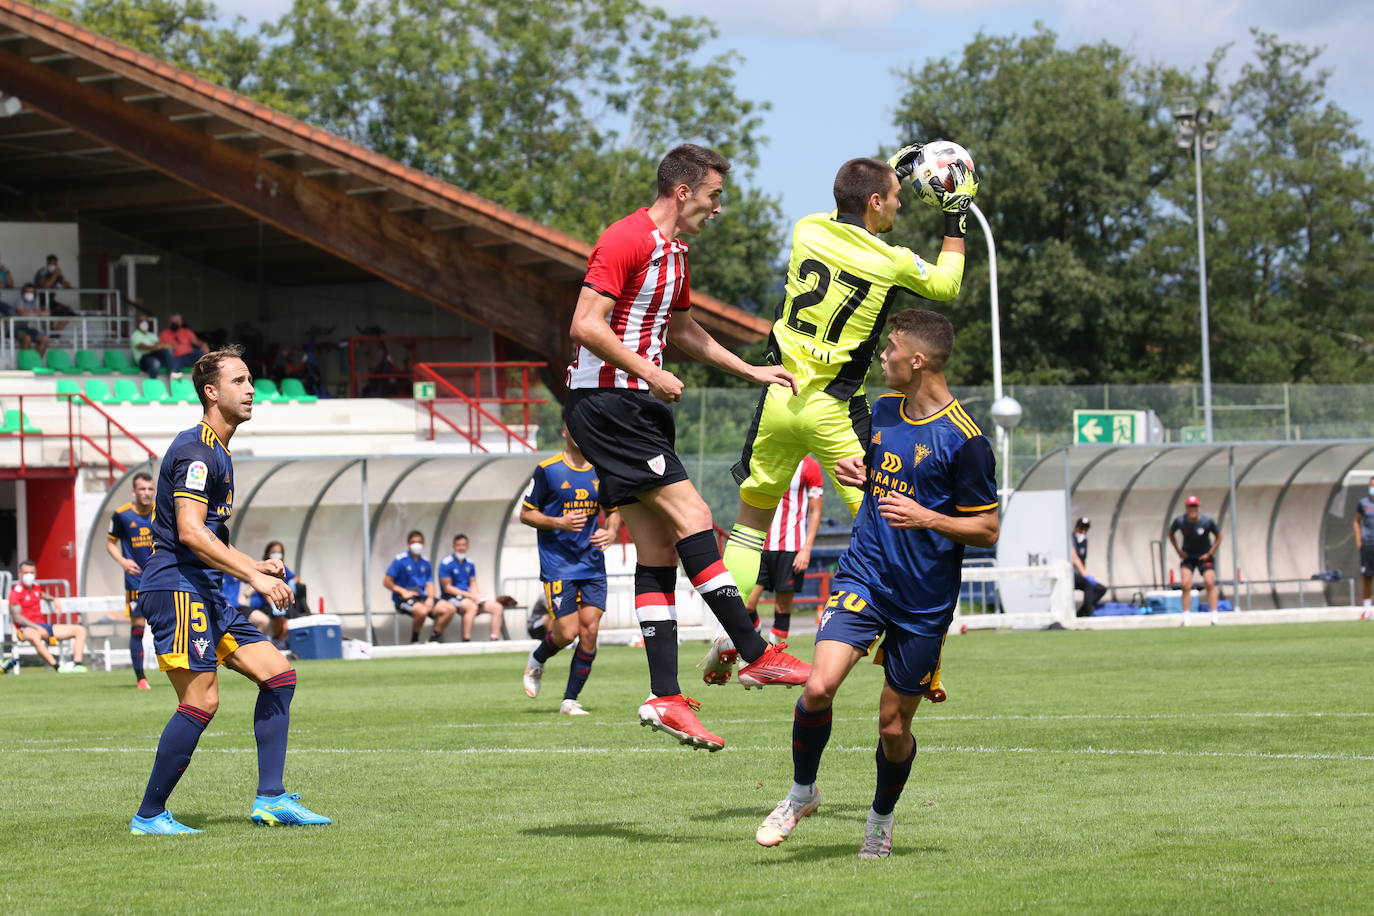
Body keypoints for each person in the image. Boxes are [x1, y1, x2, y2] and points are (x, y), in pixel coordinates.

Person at [563, 143, 810, 751]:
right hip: (610, 406)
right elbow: (585, 324)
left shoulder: (676, 254)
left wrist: (749, 369)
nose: (718, 207)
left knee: (657, 550)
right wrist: (649, 372)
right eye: (713, 195)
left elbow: (680, 329)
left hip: (634, 407)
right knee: (697, 518)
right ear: (683, 192)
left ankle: (666, 697)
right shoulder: (625, 239)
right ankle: (754, 651)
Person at [716, 148, 974, 683]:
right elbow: (947, 285)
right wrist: (956, 215)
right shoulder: (890, 260)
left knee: (748, 527)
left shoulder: (805, 229)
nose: (901, 206)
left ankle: (733, 638)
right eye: (897, 199)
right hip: (833, 407)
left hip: (778, 398)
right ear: (876, 202)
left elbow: (851, 205)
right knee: (888, 520)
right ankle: (908, 649)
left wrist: (887, 177)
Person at [754, 308, 998, 859]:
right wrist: (860, 473)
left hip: (924, 601)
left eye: (891, 350)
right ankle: (800, 794)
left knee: (893, 728)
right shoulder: (883, 411)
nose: (882, 358)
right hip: (865, 576)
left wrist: (929, 517)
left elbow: (986, 527)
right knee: (817, 688)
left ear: (917, 361)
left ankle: (880, 818)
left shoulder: (968, 441)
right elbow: (879, 469)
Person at [129, 344, 329, 834]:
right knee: (201, 701)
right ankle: (149, 815)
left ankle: (272, 798)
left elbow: (208, 536)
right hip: (176, 587)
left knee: (278, 675)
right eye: (239, 381)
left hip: (204, 588)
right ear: (211, 391)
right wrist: (254, 577)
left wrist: (253, 563)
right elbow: (192, 532)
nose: (251, 389)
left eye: (250, 380)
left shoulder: (219, 451)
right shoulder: (197, 451)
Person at [519, 426, 623, 715]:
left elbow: (613, 510)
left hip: (592, 564)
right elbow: (526, 514)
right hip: (559, 565)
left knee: (589, 631)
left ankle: (569, 700)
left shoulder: (602, 470)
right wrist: (559, 522)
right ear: (566, 430)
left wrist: (611, 532)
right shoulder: (547, 470)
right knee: (567, 632)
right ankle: (537, 658)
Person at [743, 454, 824, 644]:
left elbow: (817, 511)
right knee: (746, 604)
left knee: (782, 608)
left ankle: (774, 657)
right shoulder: (764, 457)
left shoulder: (809, 465)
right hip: (760, 544)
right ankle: (757, 644)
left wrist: (806, 549)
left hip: (791, 547)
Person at [106, 470, 156, 688]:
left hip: (160, 577)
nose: (147, 493)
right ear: (133, 491)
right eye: (142, 489)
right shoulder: (122, 514)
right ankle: (141, 678)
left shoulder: (162, 512)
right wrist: (123, 561)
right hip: (135, 580)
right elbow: (110, 542)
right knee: (138, 627)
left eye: (150, 489)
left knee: (172, 623)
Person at [8, 560, 88, 672]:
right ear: (20, 573)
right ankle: (57, 667)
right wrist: (36, 627)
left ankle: (77, 664)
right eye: (26, 573)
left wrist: (53, 599)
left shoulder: (36, 587)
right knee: (34, 636)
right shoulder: (15, 593)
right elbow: (17, 617)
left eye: (32, 572)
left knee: (80, 630)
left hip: (44, 626)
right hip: (25, 628)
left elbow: (41, 594)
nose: (29, 576)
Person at [384, 531, 457, 643]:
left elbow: (430, 582)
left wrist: (430, 598)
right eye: (413, 542)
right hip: (404, 599)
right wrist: (402, 591)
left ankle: (434, 638)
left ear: (423, 543)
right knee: (422, 611)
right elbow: (387, 581)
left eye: (419, 542)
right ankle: (414, 640)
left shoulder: (425, 562)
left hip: (422, 596)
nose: (416, 545)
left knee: (450, 609)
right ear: (408, 544)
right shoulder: (400, 560)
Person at [437, 534, 507, 642]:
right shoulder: (446, 563)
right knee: (471, 607)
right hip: (451, 598)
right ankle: (466, 640)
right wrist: (469, 596)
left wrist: (477, 596)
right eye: (458, 545)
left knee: (497, 607)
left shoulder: (470, 563)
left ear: (468, 546)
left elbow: (473, 582)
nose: (461, 548)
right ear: (454, 546)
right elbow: (447, 588)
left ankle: (494, 639)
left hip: (469, 597)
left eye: (464, 545)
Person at [245, 541, 305, 654]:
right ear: (268, 553)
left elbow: (295, 577)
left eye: (279, 552)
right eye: (273, 552)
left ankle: (280, 642)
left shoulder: (280, 566)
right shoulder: (264, 566)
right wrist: (274, 604)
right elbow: (265, 590)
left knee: (289, 619)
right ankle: (273, 643)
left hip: (278, 601)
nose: (276, 555)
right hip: (264, 604)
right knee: (279, 617)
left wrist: (292, 582)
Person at [1169, 495, 1223, 614]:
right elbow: (1170, 533)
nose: (1192, 509)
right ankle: (1186, 615)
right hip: (1188, 556)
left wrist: (1210, 553)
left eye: (1194, 506)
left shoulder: (1207, 521)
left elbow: (1219, 536)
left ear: (1198, 507)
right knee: (1185, 584)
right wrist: (1178, 550)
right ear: (1186, 508)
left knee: (1209, 582)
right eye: (1190, 506)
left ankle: (1214, 613)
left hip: (1204, 556)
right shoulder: (1180, 521)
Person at [1070, 517, 1108, 617]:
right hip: (1069, 575)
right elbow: (1075, 559)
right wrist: (1086, 576)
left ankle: (1081, 613)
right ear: (1076, 527)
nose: (1083, 531)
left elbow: (1083, 561)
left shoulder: (1084, 541)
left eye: (1086, 529)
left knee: (1101, 589)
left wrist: (1084, 574)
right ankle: (1089, 612)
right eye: (1081, 528)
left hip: (1079, 574)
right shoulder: (1070, 539)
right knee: (1088, 584)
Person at [1353, 477, 1374, 615]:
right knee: (1367, 576)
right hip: (1368, 544)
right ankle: (1367, 609)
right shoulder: (1363, 503)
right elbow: (1356, 521)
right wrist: (1359, 541)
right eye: (1371, 485)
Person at [15, 283, 50, 356]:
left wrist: (38, 313)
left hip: (30, 328)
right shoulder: (19, 299)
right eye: (27, 292)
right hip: (18, 328)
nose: (29, 294)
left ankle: (36, 362)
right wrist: (37, 313)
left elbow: (39, 311)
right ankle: (27, 362)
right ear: (23, 292)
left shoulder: (35, 299)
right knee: (27, 338)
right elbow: (23, 312)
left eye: (31, 292)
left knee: (45, 338)